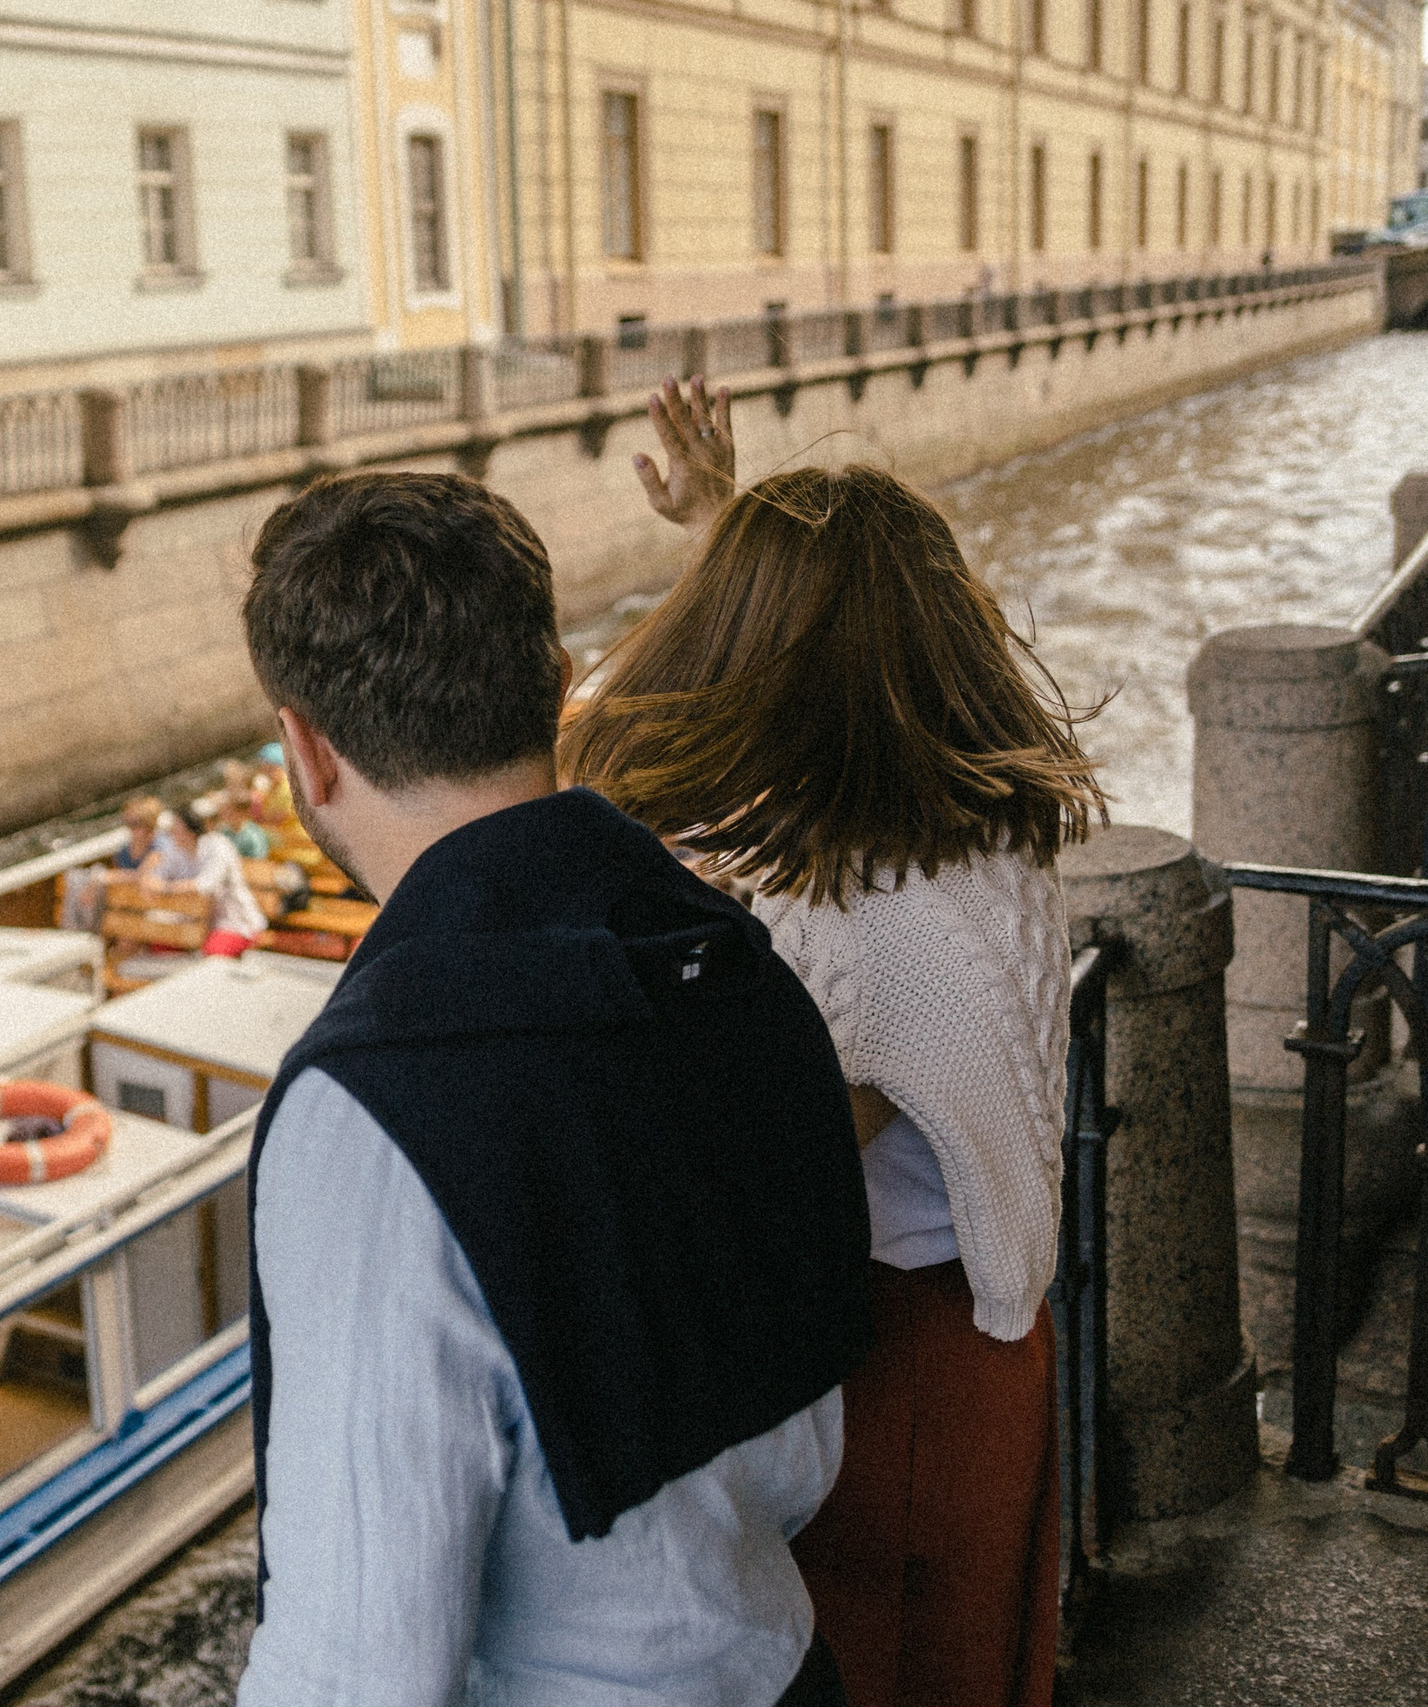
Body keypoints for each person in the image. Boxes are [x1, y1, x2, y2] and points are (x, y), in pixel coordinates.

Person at [234, 470, 873, 1706]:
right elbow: (799, 1462)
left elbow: (360, 1666)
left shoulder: (371, 1108)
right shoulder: (729, 955)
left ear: (307, 752)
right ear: (558, 683)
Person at [562, 378, 1106, 1707]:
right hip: (989, 1357)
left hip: (877, 1377)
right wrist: (723, 528)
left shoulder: (846, 911)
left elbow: (775, 1156)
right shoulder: (980, 829)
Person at [143, 801, 268, 959]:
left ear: (191, 828)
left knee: (211, 954)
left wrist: (165, 887)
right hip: (194, 923)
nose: (172, 831)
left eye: (176, 826)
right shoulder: (176, 850)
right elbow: (156, 877)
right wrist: (148, 877)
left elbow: (206, 885)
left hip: (234, 923)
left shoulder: (218, 846)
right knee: (159, 942)